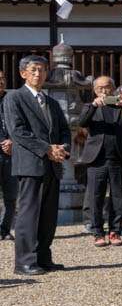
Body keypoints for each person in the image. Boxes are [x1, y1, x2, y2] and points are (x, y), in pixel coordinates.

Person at [3, 55, 71, 275]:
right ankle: (24, 262)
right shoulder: (14, 98)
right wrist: (47, 149)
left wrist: (62, 148)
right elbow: (18, 132)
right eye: (33, 70)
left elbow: (64, 129)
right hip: (30, 163)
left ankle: (43, 257)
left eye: (41, 70)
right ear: (23, 73)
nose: (37, 74)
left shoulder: (50, 101)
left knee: (48, 215)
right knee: (28, 214)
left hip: (52, 164)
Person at [81, 76, 122, 246]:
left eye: (108, 87)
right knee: (96, 197)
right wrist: (94, 106)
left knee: (118, 196)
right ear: (95, 90)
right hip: (96, 159)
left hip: (118, 157)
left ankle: (115, 232)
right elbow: (82, 122)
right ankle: (97, 233)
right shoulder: (90, 107)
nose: (104, 91)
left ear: (114, 88)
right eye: (100, 88)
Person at [0, 70, 17, 240]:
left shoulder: (12, 100)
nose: (0, 82)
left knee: (11, 196)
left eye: (2, 78)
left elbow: (21, 124)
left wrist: (13, 141)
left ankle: (5, 229)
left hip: (12, 153)